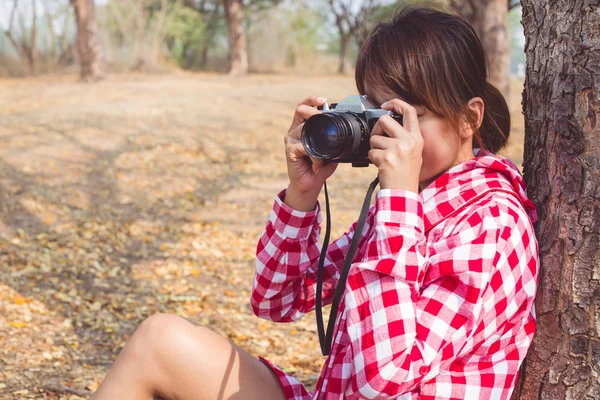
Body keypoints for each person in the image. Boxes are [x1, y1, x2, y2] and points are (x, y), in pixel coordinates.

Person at [91, 4, 539, 400]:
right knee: (159, 341)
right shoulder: (416, 203)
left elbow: (384, 377)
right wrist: (301, 195)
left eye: (407, 116)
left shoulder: (491, 221)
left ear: (469, 118)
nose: (390, 135)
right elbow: (275, 300)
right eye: (377, 113)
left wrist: (397, 204)